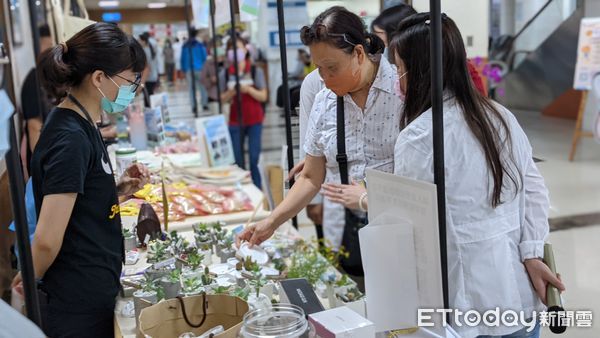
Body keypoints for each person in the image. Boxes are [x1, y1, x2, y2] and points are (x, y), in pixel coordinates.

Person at [326, 13, 565, 338]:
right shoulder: (500, 116)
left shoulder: (420, 137)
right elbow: (534, 190)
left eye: (398, 69)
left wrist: (367, 199)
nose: (398, 80)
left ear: (419, 70)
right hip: (515, 294)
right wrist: (532, 251)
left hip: (462, 304)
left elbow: (410, 227)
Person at [236, 7, 402, 276]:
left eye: (332, 68)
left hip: (402, 229)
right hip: (350, 234)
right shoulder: (325, 101)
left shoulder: (401, 89)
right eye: (319, 69)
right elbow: (312, 177)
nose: (324, 78)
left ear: (359, 53)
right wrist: (271, 222)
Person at [11, 23, 150, 337]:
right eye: (130, 81)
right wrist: (28, 283)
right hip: (75, 306)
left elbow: (77, 201)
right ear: (99, 78)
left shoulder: (85, 122)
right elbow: (46, 240)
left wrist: (117, 191)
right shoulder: (69, 138)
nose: (133, 90)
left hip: (91, 293)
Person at [221, 36, 268, 188]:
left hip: (255, 120)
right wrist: (232, 92)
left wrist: (248, 89)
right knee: (237, 159)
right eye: (230, 48)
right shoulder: (226, 73)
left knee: (254, 158)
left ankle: (258, 189)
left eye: (238, 48)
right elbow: (221, 99)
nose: (234, 51)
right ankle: (242, 190)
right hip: (235, 121)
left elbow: (264, 96)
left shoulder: (255, 71)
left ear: (245, 50)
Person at [20, 24, 55, 177]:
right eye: (48, 47)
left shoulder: (50, 79)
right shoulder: (34, 80)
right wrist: (46, 164)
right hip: (45, 163)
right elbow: (34, 127)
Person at [182, 28, 209, 112]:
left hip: (189, 69)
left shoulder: (185, 45)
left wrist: (183, 69)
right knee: (203, 87)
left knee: (191, 89)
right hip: (200, 69)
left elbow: (182, 58)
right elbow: (204, 56)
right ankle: (204, 104)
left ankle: (194, 106)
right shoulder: (200, 44)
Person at [139, 32, 159, 97]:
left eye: (140, 40)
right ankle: (151, 107)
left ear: (144, 41)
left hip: (147, 78)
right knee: (150, 95)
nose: (139, 42)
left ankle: (149, 107)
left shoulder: (145, 51)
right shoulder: (150, 49)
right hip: (153, 76)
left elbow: (146, 66)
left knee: (147, 96)